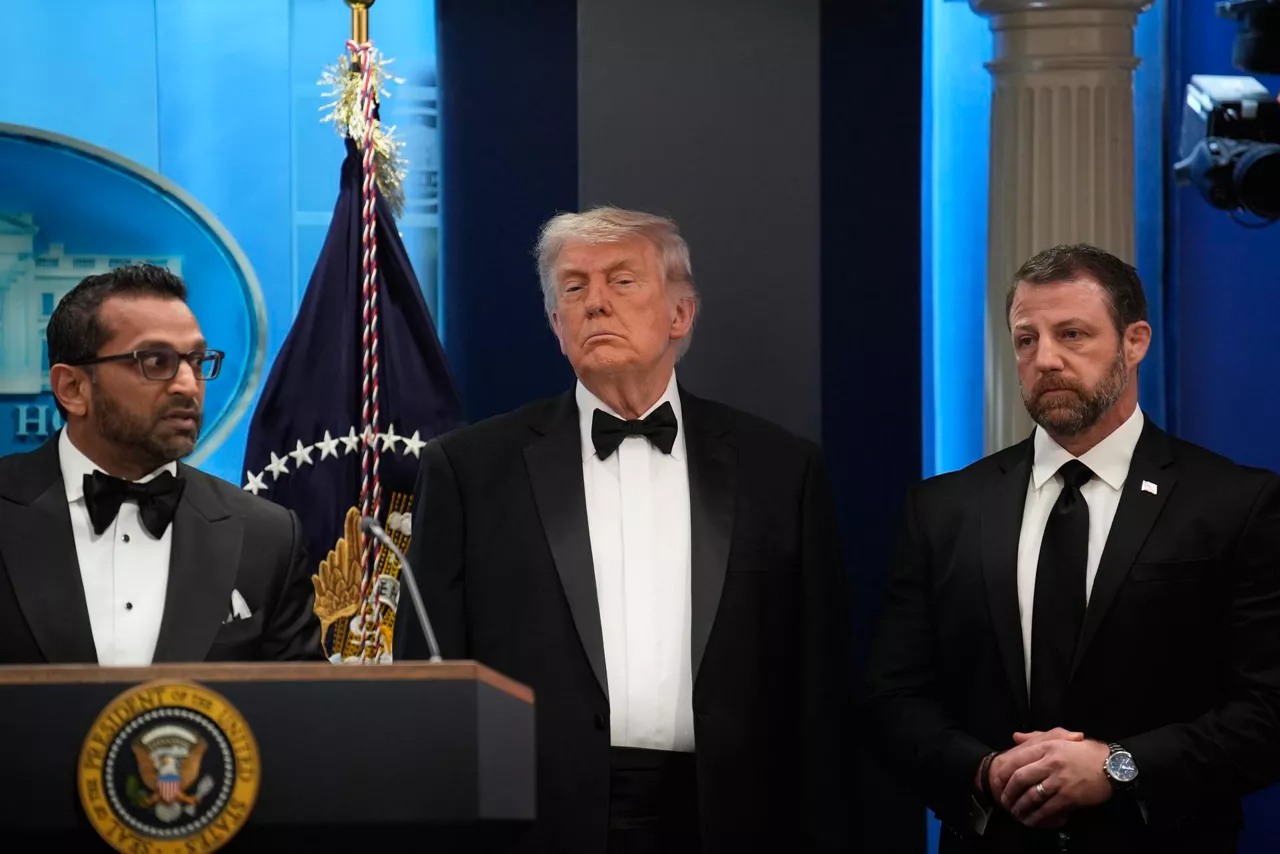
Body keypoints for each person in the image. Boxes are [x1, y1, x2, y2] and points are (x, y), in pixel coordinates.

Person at [397, 207, 850, 853]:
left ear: (680, 315)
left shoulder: (781, 469)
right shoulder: (468, 470)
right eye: (574, 288)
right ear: (557, 326)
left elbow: (820, 690)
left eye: (622, 281)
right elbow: (430, 686)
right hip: (532, 824)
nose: (596, 304)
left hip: (734, 820)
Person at [865, 244, 1280, 853]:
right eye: (1026, 340)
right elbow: (893, 697)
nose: (1046, 359)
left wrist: (1121, 766)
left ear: (1134, 342)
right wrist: (984, 772)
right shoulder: (942, 509)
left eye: (1073, 334)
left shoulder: (1234, 502)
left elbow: (1269, 709)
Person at [0, 264, 322, 664]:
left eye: (198, 361)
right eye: (155, 362)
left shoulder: (267, 536)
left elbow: (301, 715)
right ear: (73, 388)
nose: (189, 385)